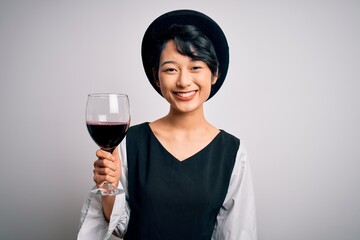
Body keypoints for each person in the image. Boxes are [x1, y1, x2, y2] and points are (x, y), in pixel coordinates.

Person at [78, 9, 257, 240]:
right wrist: (108, 187)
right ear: (156, 76)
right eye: (171, 69)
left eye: (196, 67)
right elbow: (120, 227)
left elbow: (237, 234)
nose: (183, 81)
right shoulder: (129, 142)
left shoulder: (232, 152)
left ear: (214, 74)